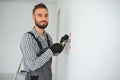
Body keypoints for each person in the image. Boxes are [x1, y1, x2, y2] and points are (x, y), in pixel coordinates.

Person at [20, 3, 68, 80]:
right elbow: (32, 65)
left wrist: (61, 45)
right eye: (40, 15)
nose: (43, 18)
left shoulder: (48, 37)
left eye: (46, 15)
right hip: (34, 77)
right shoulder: (27, 38)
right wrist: (51, 50)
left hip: (48, 76)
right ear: (33, 17)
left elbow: (53, 53)